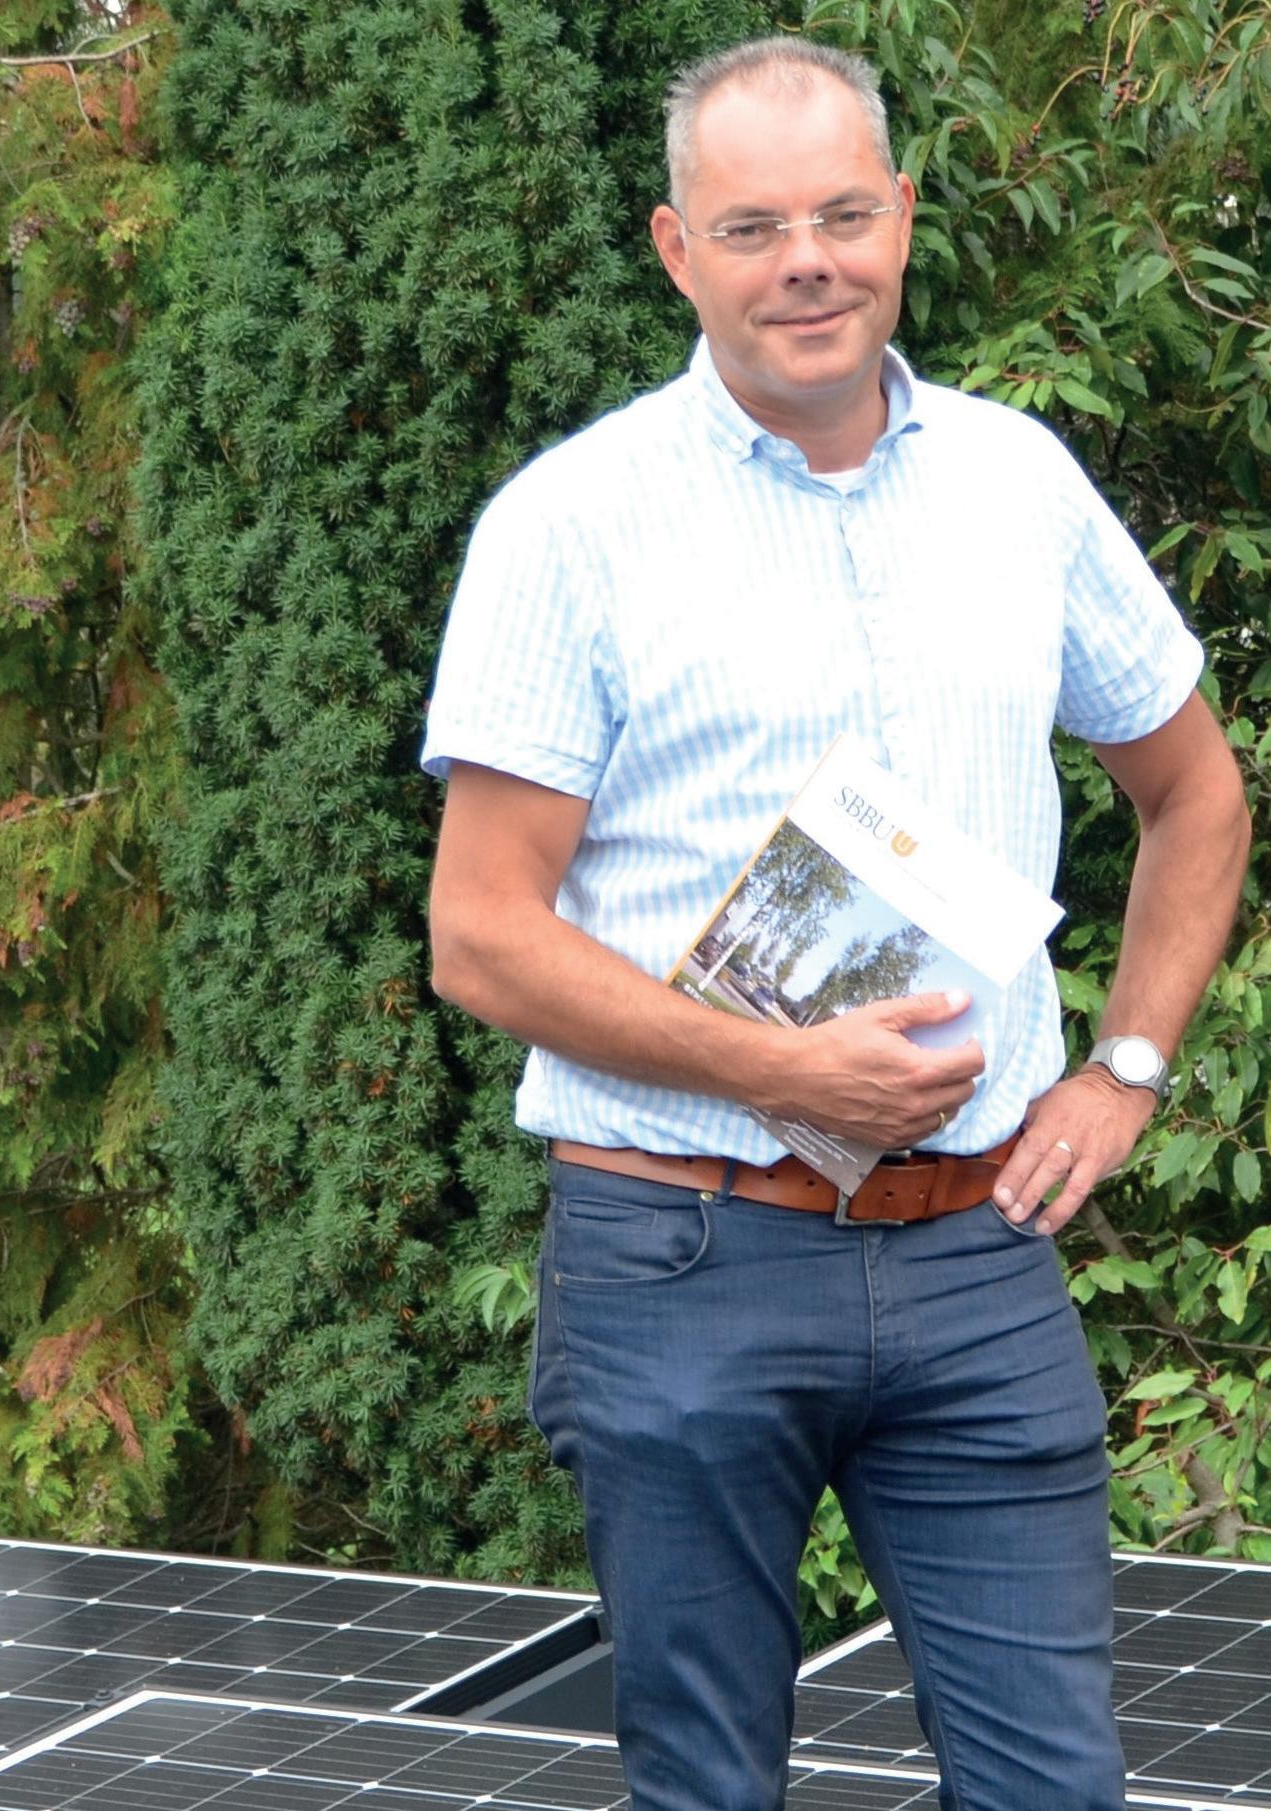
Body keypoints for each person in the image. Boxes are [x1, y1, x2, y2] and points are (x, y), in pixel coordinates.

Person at [420, 35, 1250, 1811]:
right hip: (683, 1253)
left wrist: (1123, 1069)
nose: (808, 261)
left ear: (904, 218)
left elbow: (1197, 791)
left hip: (977, 1248)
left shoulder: (1022, 484)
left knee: (1056, 1791)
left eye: (844, 214)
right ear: (677, 250)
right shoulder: (571, 526)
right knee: (709, 1789)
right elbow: (480, 934)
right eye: (753, 227)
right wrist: (780, 1071)